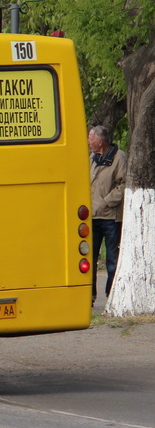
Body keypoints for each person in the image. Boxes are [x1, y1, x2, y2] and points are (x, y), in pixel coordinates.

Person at [88, 125, 126, 300]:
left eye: (91, 138)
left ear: (99, 141)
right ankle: (90, 296)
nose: (88, 142)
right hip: (92, 217)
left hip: (110, 217)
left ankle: (111, 297)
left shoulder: (119, 157)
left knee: (112, 260)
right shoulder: (92, 158)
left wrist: (105, 202)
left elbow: (124, 185)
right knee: (89, 259)